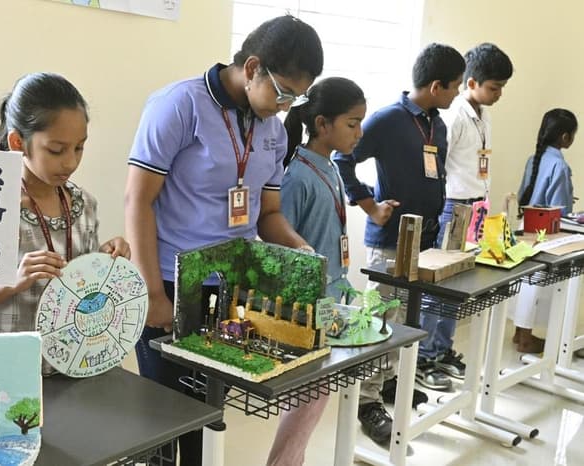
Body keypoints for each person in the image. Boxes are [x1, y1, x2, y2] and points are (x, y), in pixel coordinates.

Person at [125, 15, 322, 465]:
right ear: (252, 67)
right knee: (162, 416)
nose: (288, 106)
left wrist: (298, 248)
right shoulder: (179, 104)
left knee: (206, 409)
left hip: (229, 289)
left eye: (298, 96)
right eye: (284, 91)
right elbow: (137, 201)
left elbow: (268, 214)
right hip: (171, 282)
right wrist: (153, 291)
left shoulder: (272, 126)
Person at [333, 43, 465, 445]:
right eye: (455, 86)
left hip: (423, 241)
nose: (457, 94)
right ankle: (366, 402)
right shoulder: (390, 119)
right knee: (379, 322)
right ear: (437, 85)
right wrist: (370, 206)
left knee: (404, 324)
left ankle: (390, 382)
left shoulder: (435, 123)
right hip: (390, 242)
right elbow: (344, 159)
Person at [0, 73, 129, 356]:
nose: (71, 162)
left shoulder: (84, 205)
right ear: (18, 142)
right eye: (56, 150)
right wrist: (15, 281)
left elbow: (89, 293)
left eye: (79, 147)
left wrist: (104, 261)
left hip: (79, 365)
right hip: (12, 372)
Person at [270, 77, 365, 465]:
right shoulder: (296, 176)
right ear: (322, 124)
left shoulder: (329, 166)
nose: (359, 132)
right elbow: (279, 246)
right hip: (307, 304)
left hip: (332, 298)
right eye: (352, 123)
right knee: (310, 396)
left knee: (315, 395)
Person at [419, 43, 513, 383]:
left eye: (502, 87)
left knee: (457, 285)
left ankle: (441, 350)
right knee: (439, 286)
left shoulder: (483, 115)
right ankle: (424, 358)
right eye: (494, 87)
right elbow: (438, 166)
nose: (499, 93)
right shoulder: (453, 115)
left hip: (475, 207)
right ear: (471, 82)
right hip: (453, 208)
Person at [511, 109, 578, 353]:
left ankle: (519, 334)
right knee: (539, 286)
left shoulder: (534, 159)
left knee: (524, 283)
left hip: (525, 227)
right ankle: (527, 339)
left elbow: (523, 194)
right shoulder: (559, 165)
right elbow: (561, 208)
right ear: (564, 137)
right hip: (545, 233)